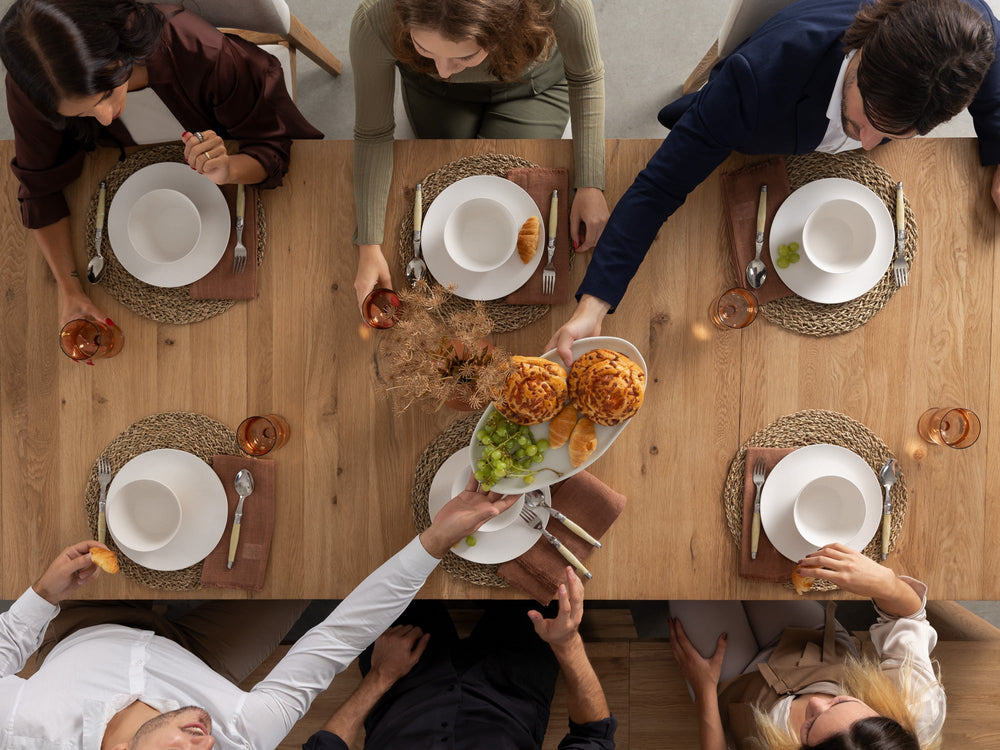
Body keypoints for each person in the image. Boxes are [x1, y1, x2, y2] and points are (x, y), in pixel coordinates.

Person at [547, 0, 1000, 367]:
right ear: (862, 59)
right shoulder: (753, 82)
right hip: (768, 126)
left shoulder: (968, 30)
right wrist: (593, 307)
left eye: (892, 135)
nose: (866, 144)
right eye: (867, 120)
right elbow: (657, 189)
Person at [0, 477, 518, 749]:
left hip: (79, 632)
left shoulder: (22, 728)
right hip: (198, 658)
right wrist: (434, 540)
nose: (205, 743)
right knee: (303, 570)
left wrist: (43, 596)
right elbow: (335, 639)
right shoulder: (244, 734)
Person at [0, 0, 324, 329]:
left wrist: (229, 168)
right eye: (83, 114)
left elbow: (272, 146)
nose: (106, 117)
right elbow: (40, 189)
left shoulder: (199, 51)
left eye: (107, 95)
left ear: (120, 51)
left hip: (228, 136)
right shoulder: (40, 86)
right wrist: (70, 291)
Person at [349, 0, 608, 310]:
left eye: (464, 55)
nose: (444, 70)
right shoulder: (375, 18)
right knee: (448, 182)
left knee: (506, 191)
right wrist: (369, 245)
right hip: (433, 92)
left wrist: (591, 183)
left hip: (532, 86)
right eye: (425, 48)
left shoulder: (561, 4)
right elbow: (373, 132)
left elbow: (586, 78)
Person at [668, 544, 945, 750]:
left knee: (686, 567)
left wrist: (704, 691)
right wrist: (886, 584)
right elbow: (908, 617)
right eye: (841, 700)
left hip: (738, 685)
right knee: (753, 555)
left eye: (809, 725)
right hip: (810, 645)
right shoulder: (917, 709)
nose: (814, 702)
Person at [305, 566, 617, 749]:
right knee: (546, 567)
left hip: (399, 682)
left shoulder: (387, 676)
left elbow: (327, 747)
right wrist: (567, 643)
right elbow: (593, 736)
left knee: (389, 560)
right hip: (514, 688)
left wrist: (379, 677)